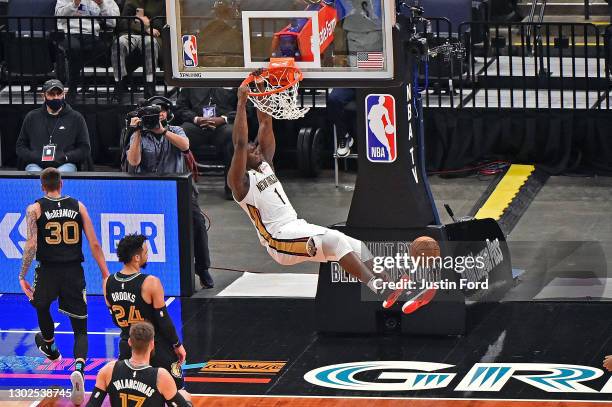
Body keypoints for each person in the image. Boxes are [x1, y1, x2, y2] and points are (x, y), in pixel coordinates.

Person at [228, 86, 418, 311]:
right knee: (337, 242)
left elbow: (265, 123)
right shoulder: (241, 184)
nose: (257, 150)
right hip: (277, 239)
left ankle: (392, 287)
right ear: (242, 160)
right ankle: (380, 289)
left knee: (357, 246)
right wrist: (241, 102)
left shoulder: (266, 165)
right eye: (252, 151)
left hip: (296, 226)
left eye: (257, 148)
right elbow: (240, 144)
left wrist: (262, 90)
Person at [18, 167, 110, 405]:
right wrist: (105, 274)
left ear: (41, 186)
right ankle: (79, 367)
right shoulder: (78, 206)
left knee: (40, 306)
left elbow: (31, 244)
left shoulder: (35, 208)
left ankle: (49, 345)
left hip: (48, 271)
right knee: (80, 328)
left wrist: (22, 275)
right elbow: (94, 243)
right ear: (62, 183)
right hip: (73, 272)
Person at [125, 98, 214, 288]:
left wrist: (163, 131)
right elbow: (133, 162)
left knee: (197, 222)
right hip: (148, 190)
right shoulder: (137, 135)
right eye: (155, 112)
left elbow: (185, 146)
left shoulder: (176, 130)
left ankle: (203, 268)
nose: (160, 114)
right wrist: (137, 133)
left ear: (166, 114)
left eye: (162, 111)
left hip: (178, 189)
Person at [103, 234, 187, 389]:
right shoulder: (151, 282)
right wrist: (177, 344)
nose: (147, 256)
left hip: (128, 345)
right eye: (146, 252)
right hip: (155, 346)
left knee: (131, 392)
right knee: (177, 391)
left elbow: (115, 319)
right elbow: (164, 320)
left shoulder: (108, 282)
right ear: (136, 257)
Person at [86, 322, 192, 407]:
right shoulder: (161, 376)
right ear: (152, 344)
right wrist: (187, 401)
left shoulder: (109, 370)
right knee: (185, 396)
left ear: (129, 342)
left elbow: (92, 404)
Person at [174, 87, 238, 199]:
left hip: (223, 125)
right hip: (196, 125)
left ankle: (232, 187)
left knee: (232, 134)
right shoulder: (191, 81)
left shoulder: (230, 80)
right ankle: (182, 186)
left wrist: (223, 119)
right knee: (180, 135)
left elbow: (243, 108)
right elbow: (180, 108)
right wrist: (196, 118)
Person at [15, 79, 91, 172]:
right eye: (51, 94)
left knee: (60, 174)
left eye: (59, 94)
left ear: (64, 94)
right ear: (43, 96)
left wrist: (65, 157)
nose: (56, 97)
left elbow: (84, 148)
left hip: (65, 164)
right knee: (34, 174)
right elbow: (20, 146)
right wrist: (35, 157)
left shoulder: (76, 118)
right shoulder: (32, 117)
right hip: (36, 164)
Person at [55, 0, 120, 101]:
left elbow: (112, 22)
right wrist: (74, 4)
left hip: (92, 34)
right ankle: (73, 88)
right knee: (74, 48)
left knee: (101, 48)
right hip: (68, 33)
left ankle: (73, 83)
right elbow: (59, 16)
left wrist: (101, 4)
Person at [111, 0, 165, 100]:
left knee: (150, 44)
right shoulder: (131, 2)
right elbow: (122, 23)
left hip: (151, 36)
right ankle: (119, 83)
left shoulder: (162, 3)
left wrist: (147, 25)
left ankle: (150, 85)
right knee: (119, 44)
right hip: (130, 34)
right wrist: (143, 26)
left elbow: (161, 25)